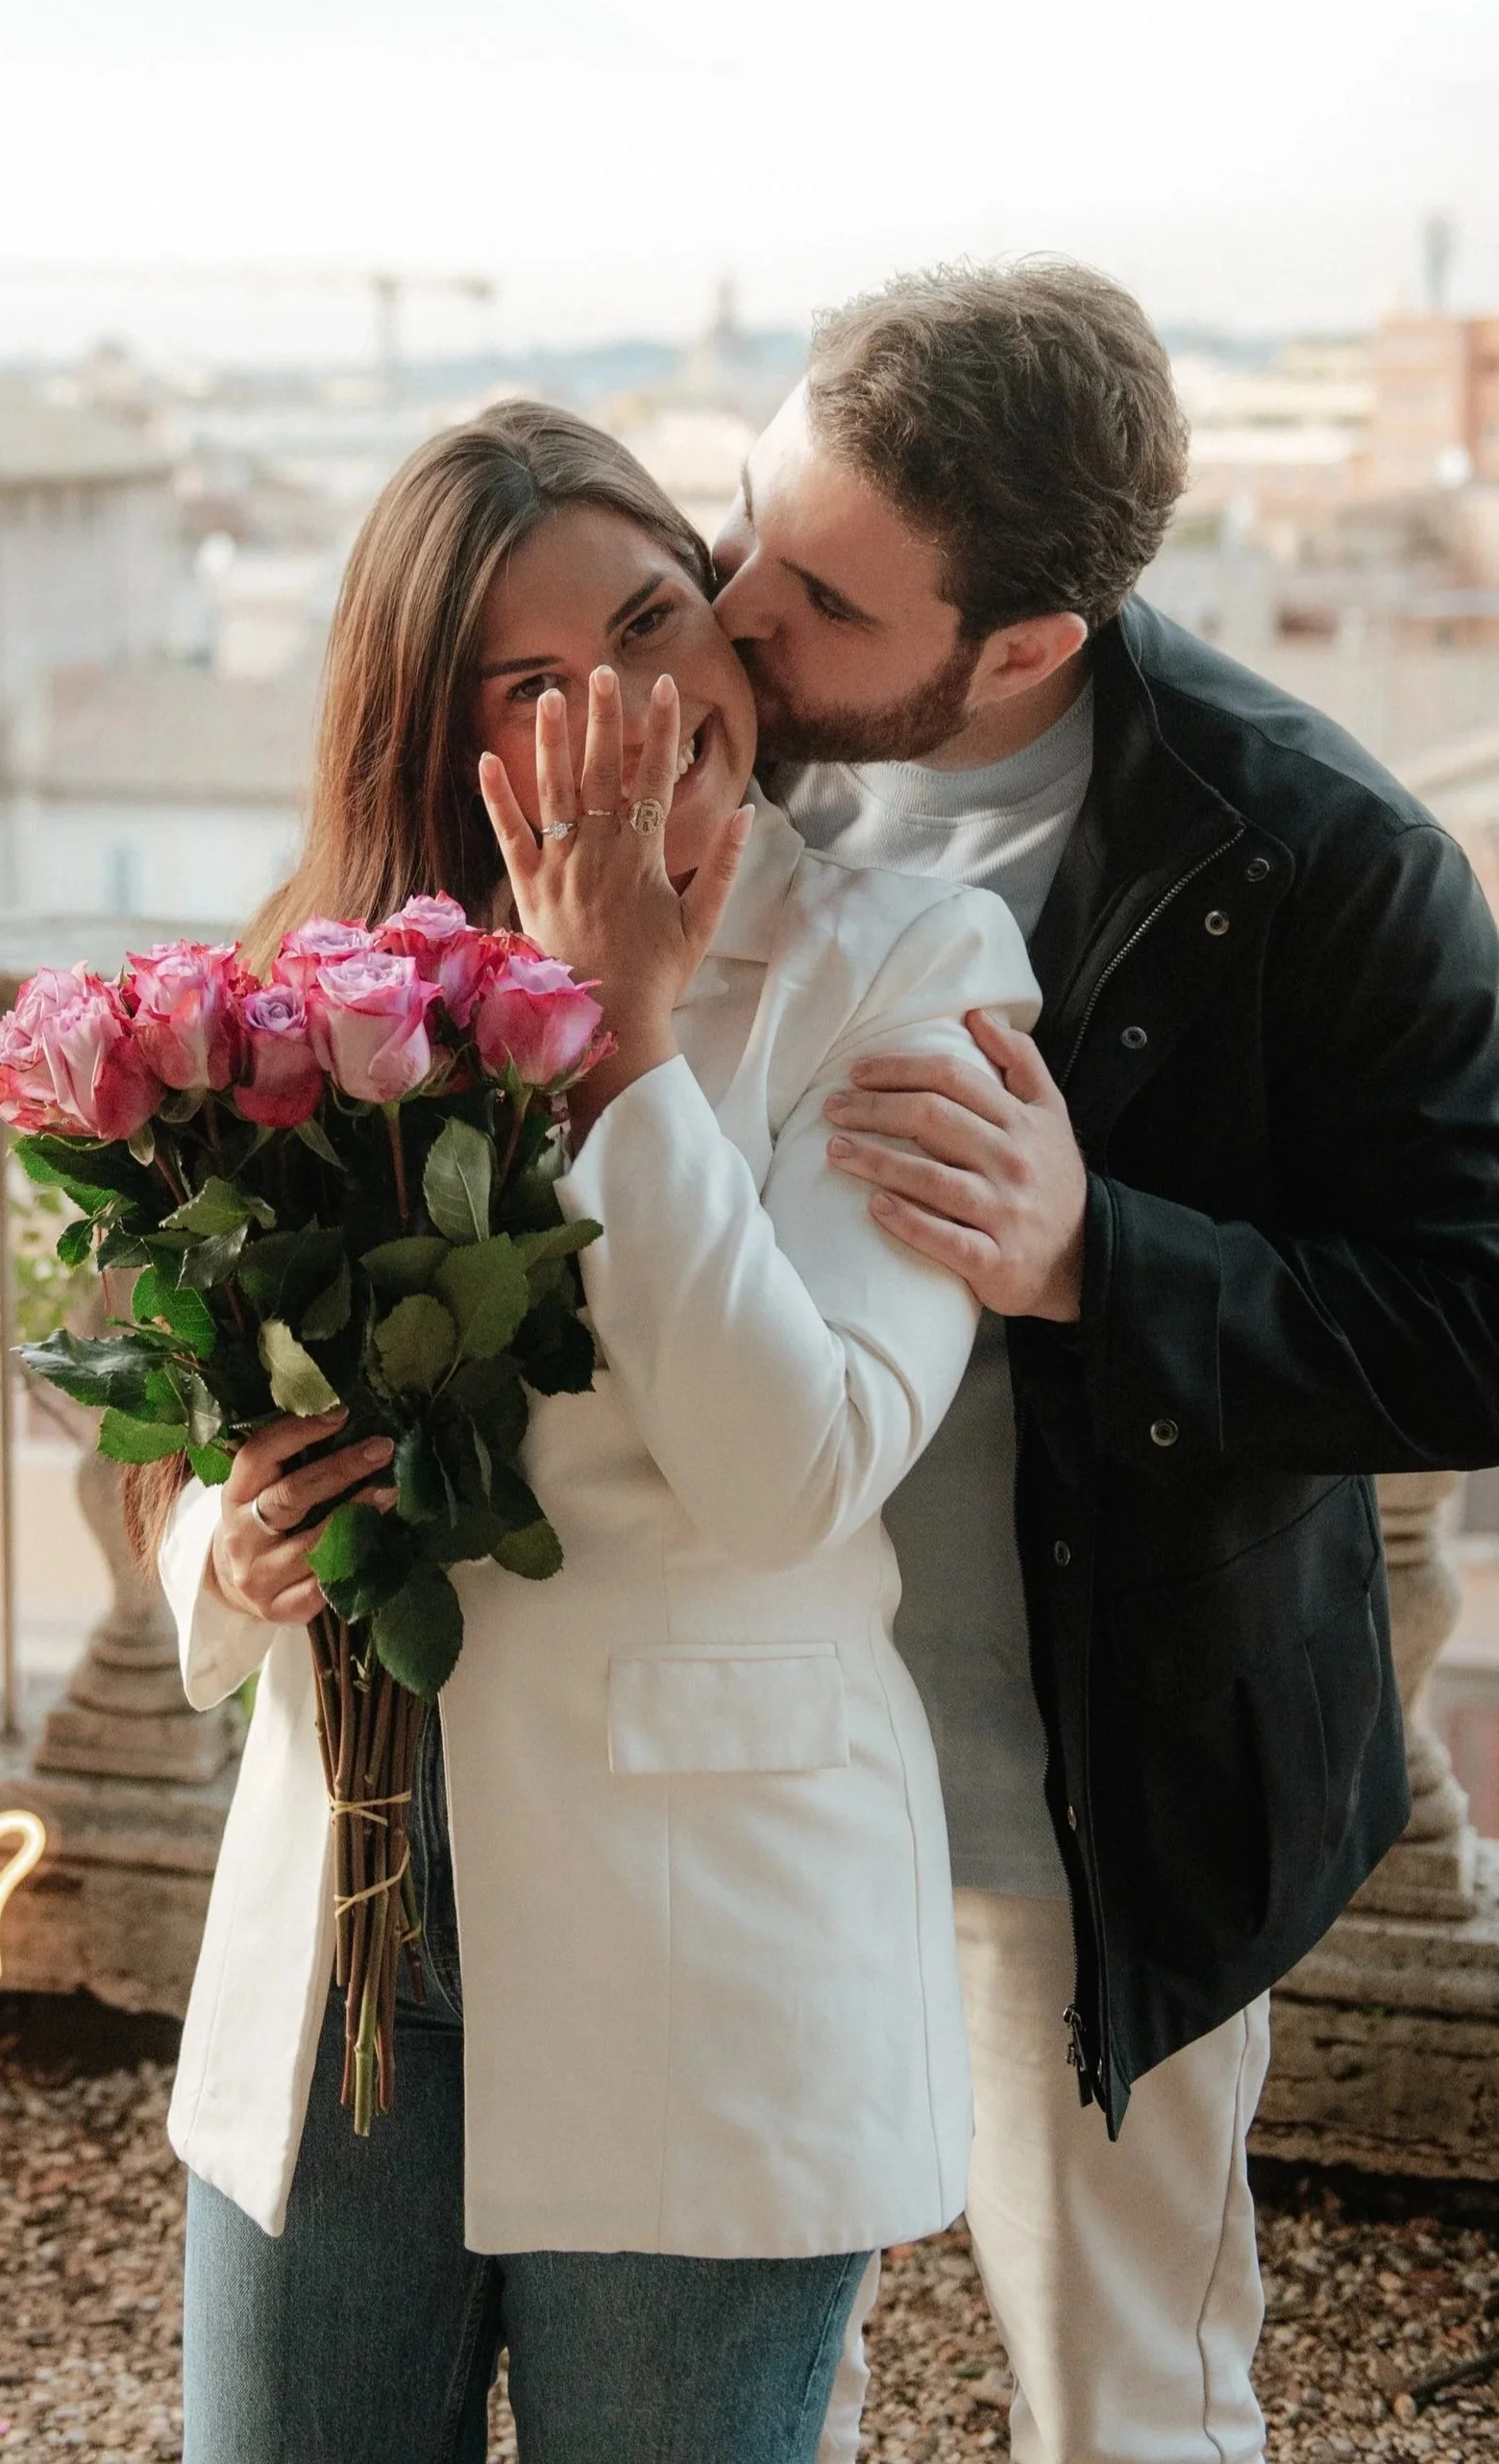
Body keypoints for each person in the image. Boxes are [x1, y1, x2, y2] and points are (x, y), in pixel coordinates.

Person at [147, 402, 1041, 2463]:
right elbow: (197, 1420)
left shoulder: (911, 969)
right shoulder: (332, 986)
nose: (627, 708)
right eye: (535, 689)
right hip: (355, 1918)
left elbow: (791, 1467)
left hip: (702, 1941)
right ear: (440, 745)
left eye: (651, 622)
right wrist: (228, 1544)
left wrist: (619, 1043)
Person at [705, 259, 1499, 2464]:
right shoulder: (699, 703)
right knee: (741, 2380)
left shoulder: (1323, 858)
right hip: (727, 1740)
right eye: (745, 516)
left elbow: (1473, 1320)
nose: (735, 606)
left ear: (1024, 645)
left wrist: (1095, 1259)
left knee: (1121, 2395)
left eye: (824, 600)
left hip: (1089, 1786)